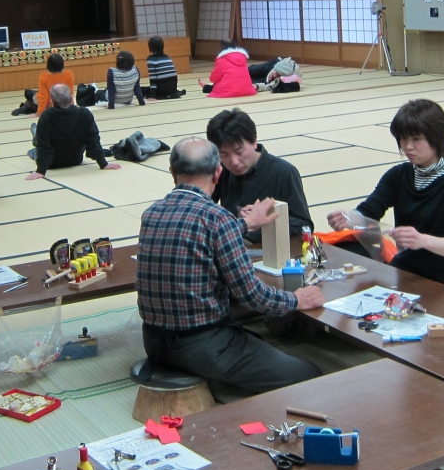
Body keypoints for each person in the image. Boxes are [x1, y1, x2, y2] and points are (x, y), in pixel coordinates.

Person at [137, 136, 324, 398]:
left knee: (255, 339)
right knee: (309, 375)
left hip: (155, 342)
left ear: (172, 172)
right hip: (204, 346)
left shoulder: (152, 213)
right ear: (217, 172)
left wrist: (246, 224)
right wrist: (296, 300)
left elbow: (197, 231)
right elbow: (252, 295)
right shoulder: (218, 219)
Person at [328, 99, 444, 290]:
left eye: (416, 139)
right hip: (403, 271)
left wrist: (423, 240)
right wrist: (347, 218)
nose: (407, 147)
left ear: (436, 137)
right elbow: (370, 210)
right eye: (403, 139)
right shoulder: (399, 175)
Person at [206, 109, 311, 245]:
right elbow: (201, 206)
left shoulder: (284, 172)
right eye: (224, 155)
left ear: (254, 141)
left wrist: (264, 220)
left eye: (239, 151)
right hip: (230, 244)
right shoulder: (220, 169)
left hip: (267, 248)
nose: (234, 162)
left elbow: (304, 225)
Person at [25, 84, 122, 180]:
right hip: (75, 160)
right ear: (72, 98)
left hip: (52, 163)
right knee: (40, 140)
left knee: (35, 148)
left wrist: (40, 171)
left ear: (52, 101)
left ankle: (36, 133)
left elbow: (43, 147)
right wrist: (103, 163)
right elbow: (93, 141)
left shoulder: (47, 116)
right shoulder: (84, 113)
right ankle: (36, 133)